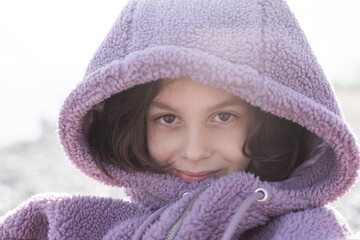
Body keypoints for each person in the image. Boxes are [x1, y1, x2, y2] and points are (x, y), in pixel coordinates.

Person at [1, 0, 359, 239]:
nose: (194, 150)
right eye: (168, 118)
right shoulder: (67, 222)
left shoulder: (307, 229)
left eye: (223, 116)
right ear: (129, 122)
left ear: (272, 118)